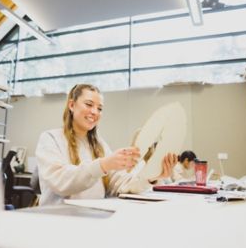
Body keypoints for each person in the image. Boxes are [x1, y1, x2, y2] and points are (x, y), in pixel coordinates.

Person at [35, 84, 178, 206]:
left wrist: (151, 177)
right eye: (89, 104)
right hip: (58, 220)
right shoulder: (50, 138)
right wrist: (102, 165)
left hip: (93, 219)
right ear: (72, 105)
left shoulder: (99, 145)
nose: (94, 112)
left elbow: (120, 184)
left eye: (99, 108)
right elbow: (60, 181)